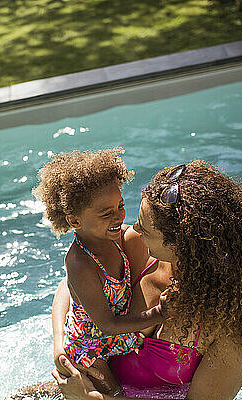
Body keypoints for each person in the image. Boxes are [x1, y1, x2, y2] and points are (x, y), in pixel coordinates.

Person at [50, 161, 242, 400]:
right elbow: (72, 285)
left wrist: (89, 398)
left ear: (183, 244)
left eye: (145, 228)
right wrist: (61, 344)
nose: (132, 228)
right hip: (80, 378)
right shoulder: (137, 245)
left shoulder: (234, 323)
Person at [32, 149, 166, 395]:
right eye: (107, 213)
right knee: (115, 394)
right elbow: (106, 324)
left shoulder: (119, 237)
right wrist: (161, 313)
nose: (119, 216)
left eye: (121, 205)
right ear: (74, 221)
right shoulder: (81, 263)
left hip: (116, 336)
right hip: (90, 349)